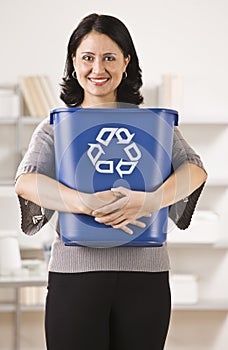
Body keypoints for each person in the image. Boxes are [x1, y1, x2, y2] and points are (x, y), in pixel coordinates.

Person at [15, 13, 207, 350]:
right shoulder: (56, 127)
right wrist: (83, 202)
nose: (97, 68)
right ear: (73, 62)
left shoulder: (153, 125)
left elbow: (194, 170)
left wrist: (151, 200)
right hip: (75, 276)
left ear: (126, 62)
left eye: (109, 58)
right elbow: (27, 181)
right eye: (87, 58)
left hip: (146, 277)